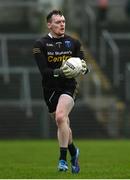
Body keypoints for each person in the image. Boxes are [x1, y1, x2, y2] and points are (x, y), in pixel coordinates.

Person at [32, 10, 88, 173]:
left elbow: (84, 66)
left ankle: (62, 160)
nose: (62, 24)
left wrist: (83, 68)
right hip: (49, 89)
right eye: (58, 22)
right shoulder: (40, 45)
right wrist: (61, 71)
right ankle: (73, 152)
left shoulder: (74, 43)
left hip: (68, 86)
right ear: (49, 24)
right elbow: (44, 71)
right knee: (63, 124)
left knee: (61, 116)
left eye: (63, 21)